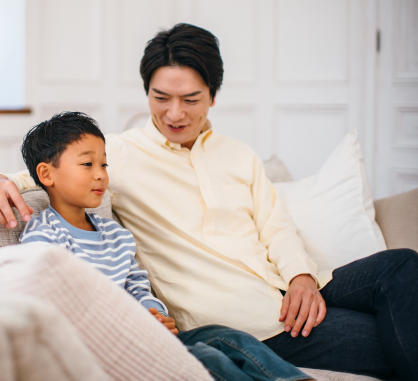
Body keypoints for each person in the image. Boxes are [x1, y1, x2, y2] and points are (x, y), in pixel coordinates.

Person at [0, 24, 418, 380]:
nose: (174, 114)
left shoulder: (239, 154)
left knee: (401, 265)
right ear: (146, 92)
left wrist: (302, 276)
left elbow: (276, 225)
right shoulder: (118, 156)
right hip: (254, 324)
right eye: (160, 98)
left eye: (191, 100)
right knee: (393, 334)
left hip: (289, 290)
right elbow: (50, 169)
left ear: (213, 95)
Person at [17, 111, 311, 381]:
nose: (100, 174)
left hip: (149, 337)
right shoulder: (45, 237)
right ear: (46, 174)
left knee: (225, 337)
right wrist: (131, 323)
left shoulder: (114, 234)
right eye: (87, 164)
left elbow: (137, 285)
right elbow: (53, 305)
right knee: (206, 357)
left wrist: (153, 313)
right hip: (105, 349)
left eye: (104, 164)